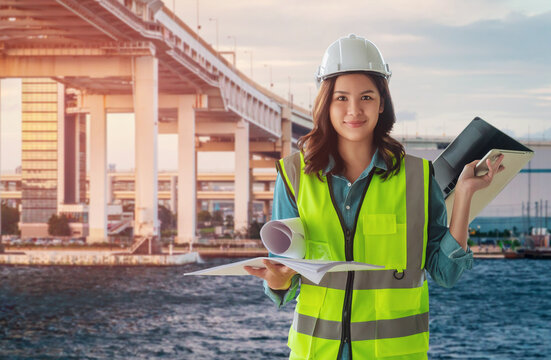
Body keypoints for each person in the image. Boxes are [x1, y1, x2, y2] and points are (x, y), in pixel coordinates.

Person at [245, 34, 504, 360]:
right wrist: (278, 280)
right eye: (341, 98)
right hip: (317, 353)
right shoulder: (294, 176)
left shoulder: (418, 178)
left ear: (382, 103)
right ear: (326, 102)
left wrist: (464, 194)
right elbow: (282, 284)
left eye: (366, 97)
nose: (354, 110)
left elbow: (445, 272)